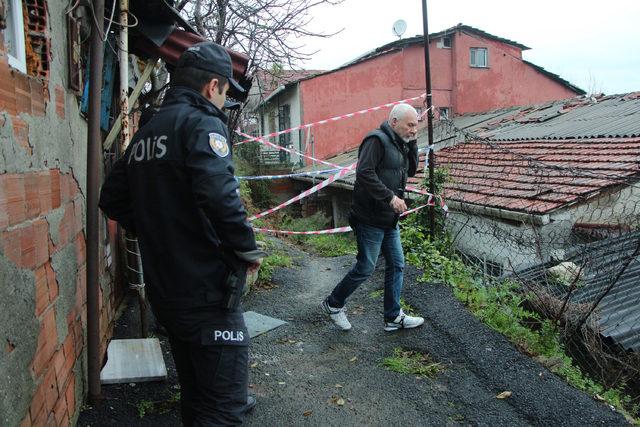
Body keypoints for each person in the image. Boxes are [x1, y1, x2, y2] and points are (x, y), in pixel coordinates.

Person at [99, 41, 266, 425]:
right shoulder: (202, 123)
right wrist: (246, 250)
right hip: (207, 294)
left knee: (195, 394)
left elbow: (112, 197)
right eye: (225, 92)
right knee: (223, 409)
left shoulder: (147, 132)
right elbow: (219, 194)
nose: (224, 101)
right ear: (213, 87)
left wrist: (160, 230)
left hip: (167, 291)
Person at [321, 104, 425, 332]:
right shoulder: (376, 140)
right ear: (394, 122)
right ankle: (333, 304)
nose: (413, 129)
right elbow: (364, 173)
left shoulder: (401, 143)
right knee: (366, 267)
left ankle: (393, 317)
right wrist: (390, 198)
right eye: (410, 125)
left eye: (416, 126)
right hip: (369, 217)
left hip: (389, 219)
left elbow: (412, 171)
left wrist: (413, 143)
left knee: (397, 264)